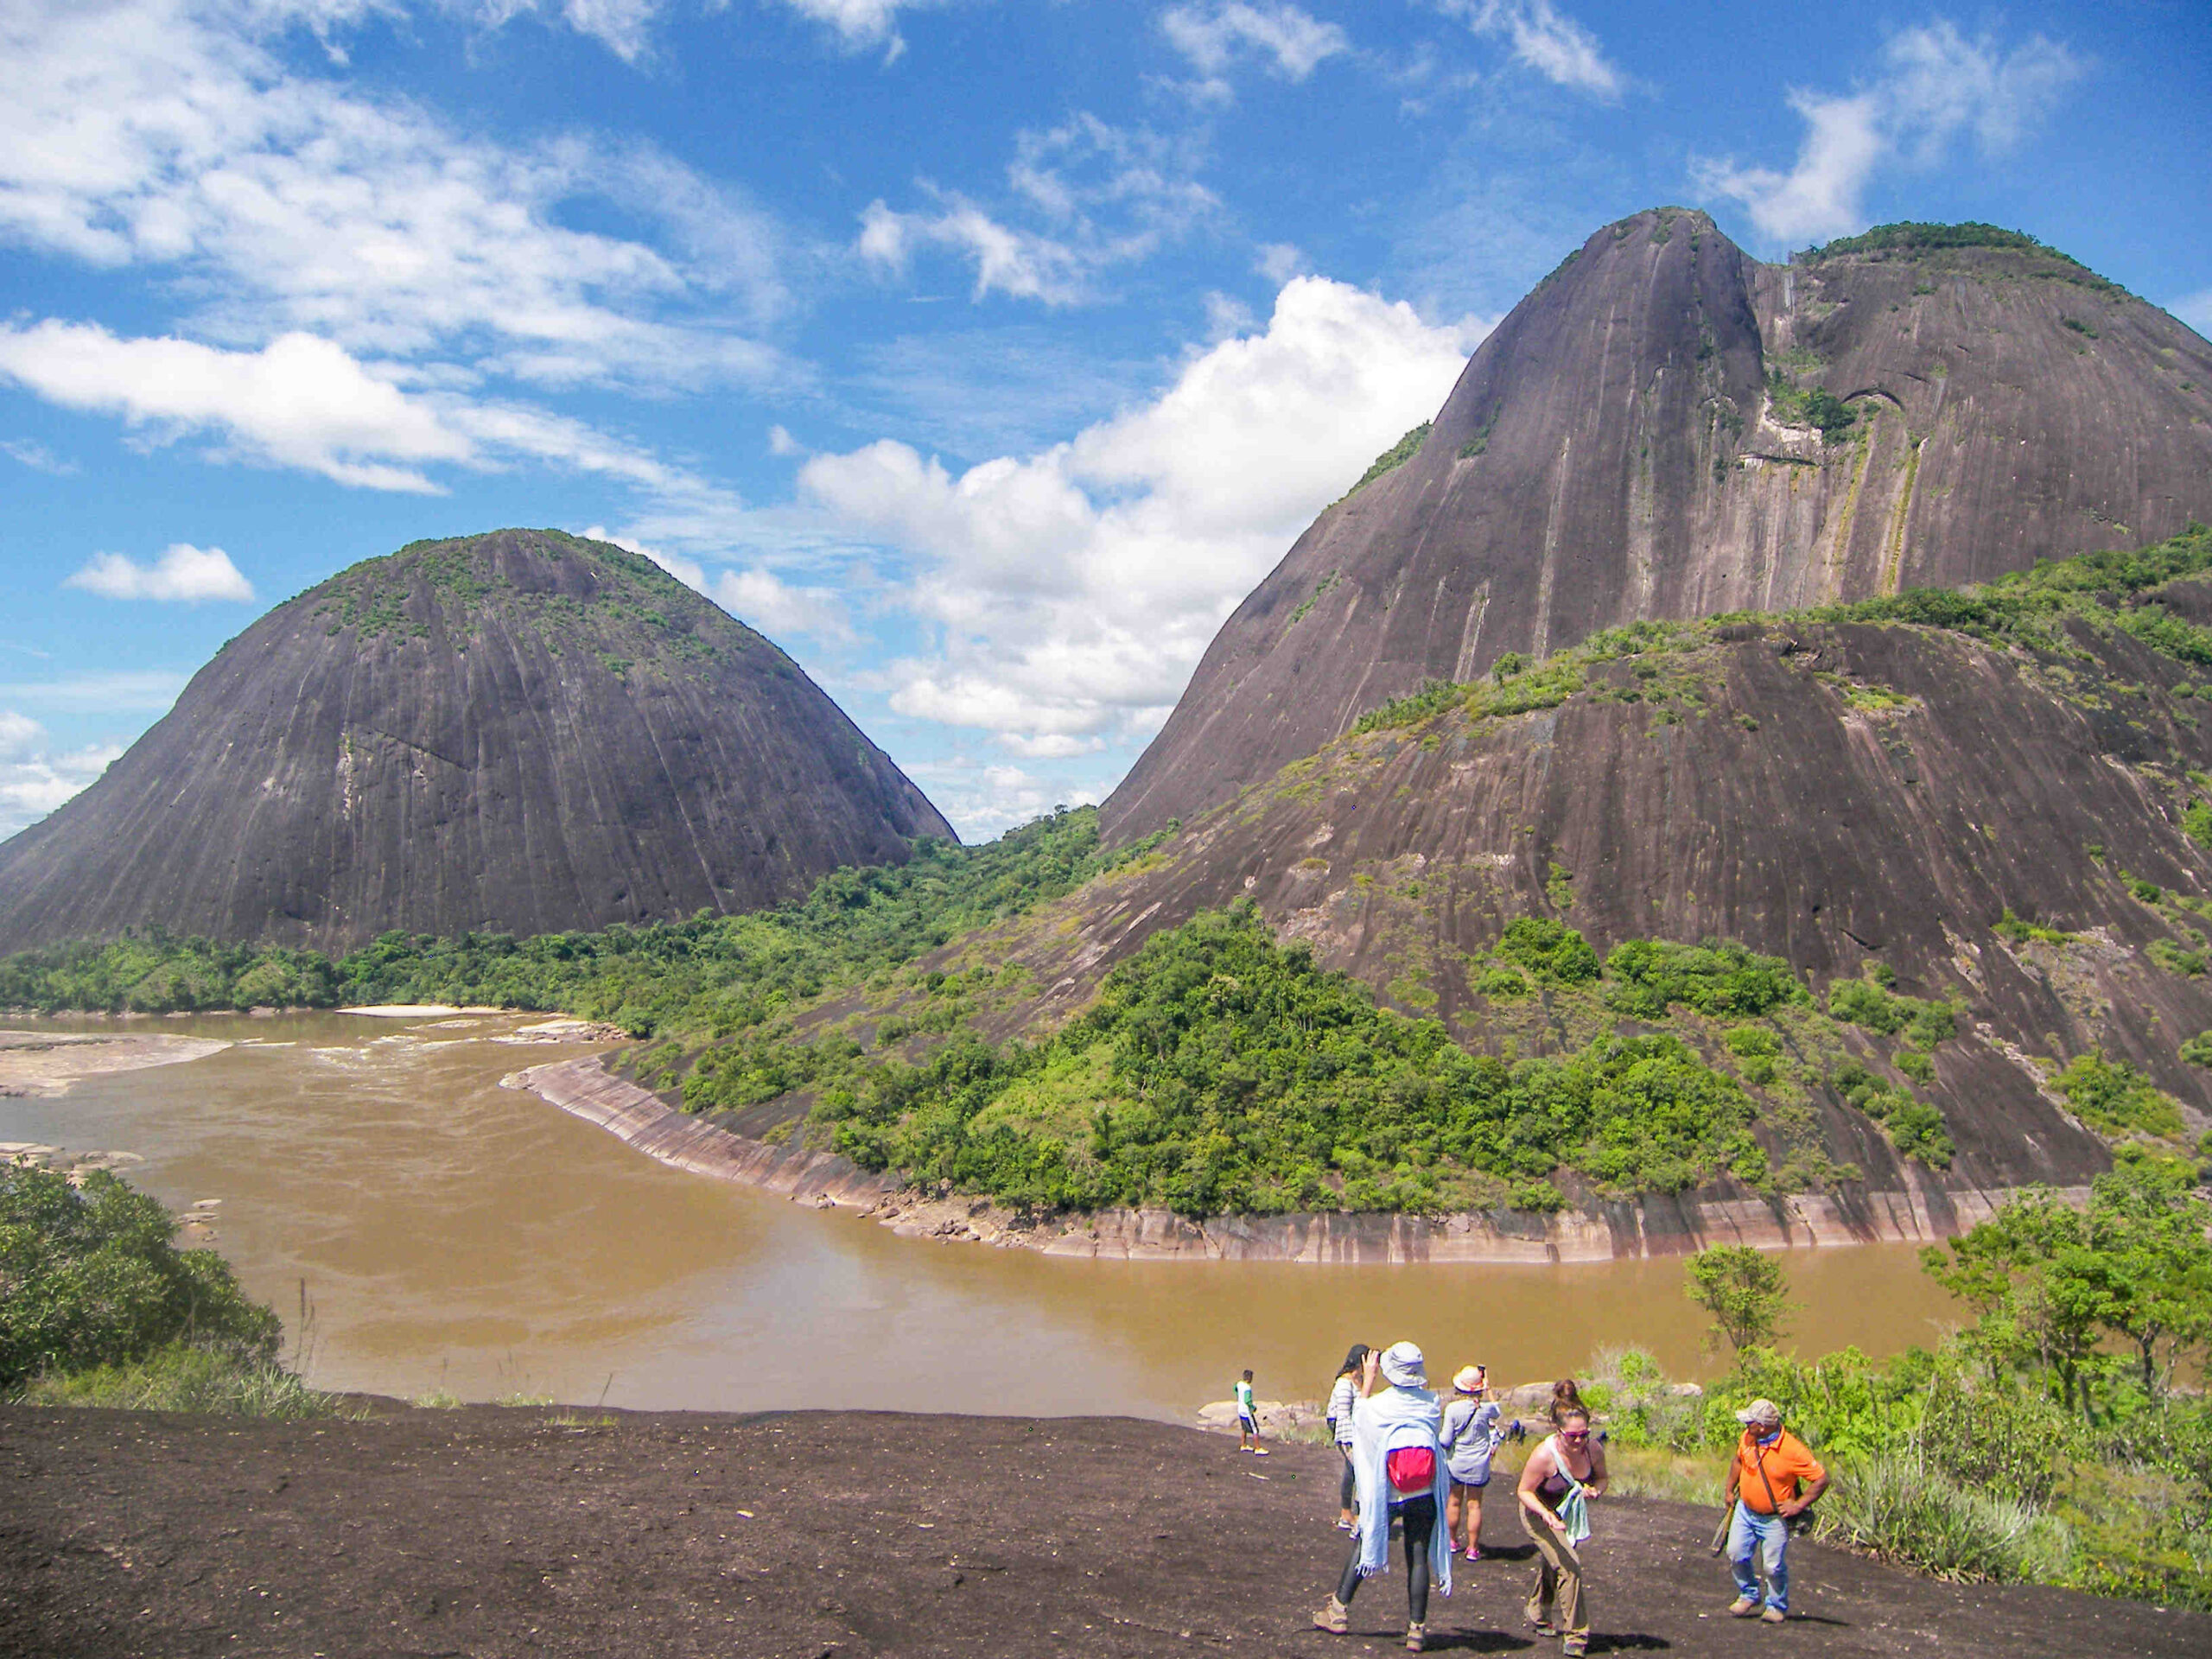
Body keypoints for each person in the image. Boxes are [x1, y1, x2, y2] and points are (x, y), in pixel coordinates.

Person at [1313, 1341, 1453, 1652]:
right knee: (1417, 1557)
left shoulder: (1378, 1405)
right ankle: (1417, 1630)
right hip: (1425, 1490)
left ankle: (1338, 1611)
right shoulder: (1431, 1403)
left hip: (1388, 1489)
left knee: (1365, 1545)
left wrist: (1370, 1378)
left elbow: (1359, 1420)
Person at [1724, 1397, 1828, 1624]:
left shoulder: (1792, 1450)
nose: (1746, 1426)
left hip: (1774, 1519)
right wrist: (1729, 1490)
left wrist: (1798, 1505)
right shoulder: (1748, 1437)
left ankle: (1775, 1605)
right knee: (1736, 1554)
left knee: (1772, 1566)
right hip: (1745, 1511)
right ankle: (1749, 1594)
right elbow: (1738, 1462)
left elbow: (1821, 1479)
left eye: (1750, 1422)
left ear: (1762, 1426)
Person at [1516, 1395, 1607, 1657]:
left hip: (1566, 1515)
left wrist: (1595, 1491)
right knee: (1570, 1566)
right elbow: (1523, 1491)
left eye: (1584, 1434)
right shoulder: (1544, 1456)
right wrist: (1545, 1514)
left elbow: (1603, 1478)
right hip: (1538, 1514)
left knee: (1553, 1561)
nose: (1579, 1441)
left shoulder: (1593, 1450)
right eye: (1572, 1436)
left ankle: (1537, 1610)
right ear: (1559, 1432)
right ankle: (1576, 1634)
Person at [1440, 1364, 1501, 1560]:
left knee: (1454, 1501)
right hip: (1479, 1464)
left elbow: (1446, 1440)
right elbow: (1498, 1411)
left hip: (1456, 1462)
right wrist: (1489, 1389)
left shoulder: (1452, 1409)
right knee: (1474, 1505)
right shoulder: (1486, 1409)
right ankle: (1473, 1549)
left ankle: (1451, 1541)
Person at [1326, 1344, 1370, 1529]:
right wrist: (1349, 1441)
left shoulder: (1358, 1379)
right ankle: (1350, 1515)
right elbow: (1343, 1415)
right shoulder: (1344, 1384)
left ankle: (1351, 1514)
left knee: (1351, 1471)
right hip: (1345, 1428)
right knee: (1357, 1470)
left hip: (1353, 1428)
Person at [1234, 1368, 1268, 1456]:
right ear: (1249, 1378)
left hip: (1240, 1410)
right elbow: (1247, 1400)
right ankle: (1257, 1448)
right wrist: (1253, 1408)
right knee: (1255, 1429)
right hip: (1246, 1411)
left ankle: (1243, 1445)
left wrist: (1238, 1397)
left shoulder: (1239, 1384)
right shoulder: (1247, 1387)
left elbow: (1235, 1389)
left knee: (1244, 1428)